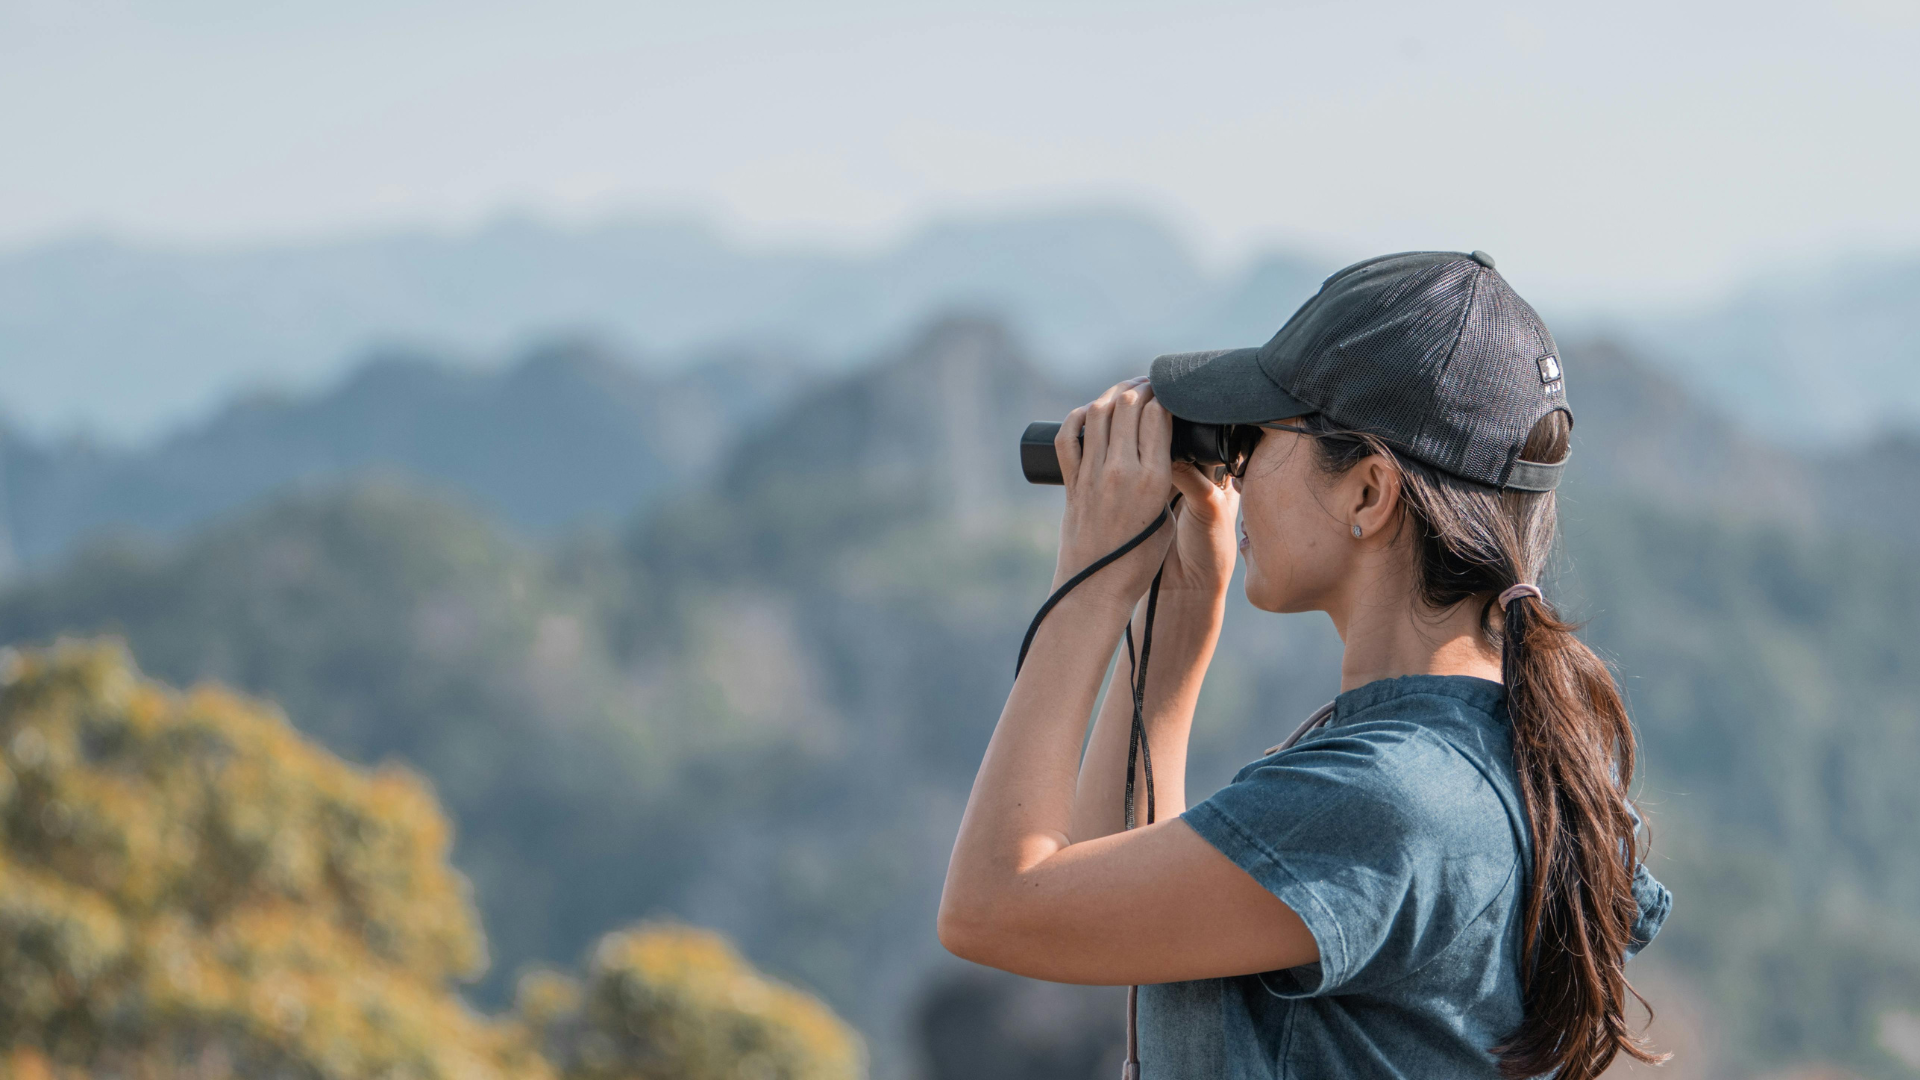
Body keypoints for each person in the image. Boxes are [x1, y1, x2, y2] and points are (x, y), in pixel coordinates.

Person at [937, 250, 1672, 1079]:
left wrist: (1088, 586)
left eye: (1259, 436)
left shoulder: (1388, 797)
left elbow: (993, 908)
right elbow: (1104, 918)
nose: (1236, 471)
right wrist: (1175, 614)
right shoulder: (1487, 761)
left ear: (1367, 492)